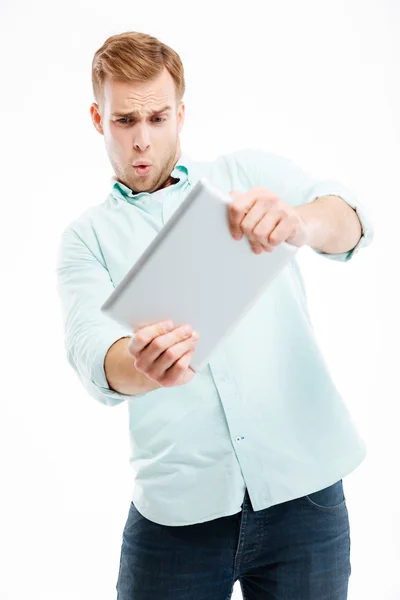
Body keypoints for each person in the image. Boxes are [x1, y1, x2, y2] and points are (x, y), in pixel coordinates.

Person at [55, 30, 374, 600]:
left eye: (157, 117)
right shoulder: (86, 239)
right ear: (98, 119)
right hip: (177, 517)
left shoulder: (245, 176)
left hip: (306, 497)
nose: (142, 141)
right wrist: (138, 364)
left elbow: (348, 219)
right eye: (125, 121)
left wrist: (300, 223)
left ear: (181, 113)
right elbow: (91, 350)